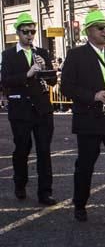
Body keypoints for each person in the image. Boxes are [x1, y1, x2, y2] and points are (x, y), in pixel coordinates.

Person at [60, 10, 105, 226]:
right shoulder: (76, 55)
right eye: (100, 28)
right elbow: (66, 86)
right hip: (89, 119)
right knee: (85, 165)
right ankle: (80, 204)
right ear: (88, 31)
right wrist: (93, 96)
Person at [1, 13, 57, 205]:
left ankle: (45, 192)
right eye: (26, 32)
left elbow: (53, 80)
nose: (30, 35)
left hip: (42, 109)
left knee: (44, 151)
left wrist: (45, 70)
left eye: (32, 31)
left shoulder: (42, 52)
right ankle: (20, 183)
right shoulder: (8, 55)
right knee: (22, 149)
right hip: (21, 110)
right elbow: (5, 82)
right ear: (18, 33)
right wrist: (28, 73)